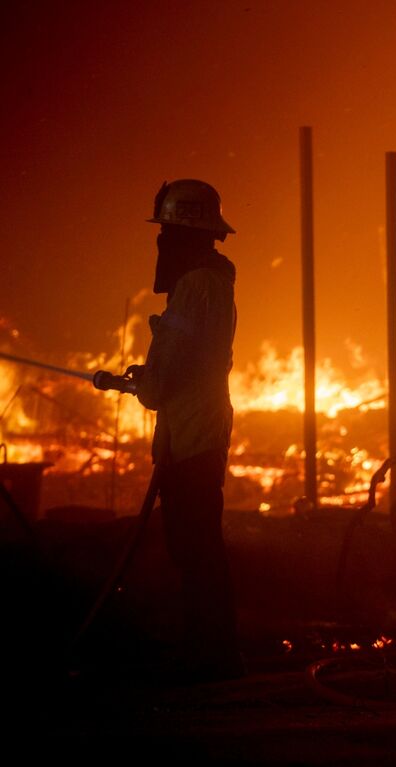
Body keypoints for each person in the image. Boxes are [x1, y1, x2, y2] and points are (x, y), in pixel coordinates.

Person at [135, 179, 241, 681]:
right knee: (197, 549)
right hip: (197, 432)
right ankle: (210, 652)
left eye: (167, 233)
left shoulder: (196, 286)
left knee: (196, 550)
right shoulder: (211, 285)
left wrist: (147, 382)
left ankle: (211, 658)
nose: (161, 244)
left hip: (194, 437)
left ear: (183, 235)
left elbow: (163, 381)